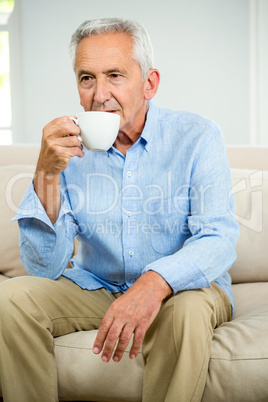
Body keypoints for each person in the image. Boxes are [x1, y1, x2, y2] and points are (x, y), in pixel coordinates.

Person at [0, 17, 239, 402]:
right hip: (100, 286)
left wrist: (153, 283)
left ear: (149, 83)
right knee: (8, 302)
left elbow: (219, 239)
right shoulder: (65, 151)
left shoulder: (198, 136)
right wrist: (45, 173)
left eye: (115, 75)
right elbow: (44, 267)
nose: (99, 95)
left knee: (185, 314)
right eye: (86, 78)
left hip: (184, 291)